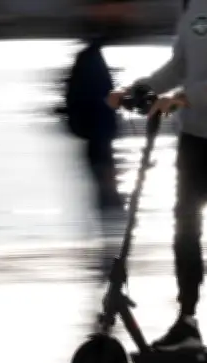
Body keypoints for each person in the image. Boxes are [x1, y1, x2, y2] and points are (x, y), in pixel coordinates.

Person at [108, 0, 207, 352]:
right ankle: (186, 320)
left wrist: (185, 96)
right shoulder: (191, 3)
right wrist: (139, 88)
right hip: (196, 138)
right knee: (185, 225)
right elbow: (181, 64)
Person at [62, 0, 133, 276]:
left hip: (95, 139)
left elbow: (85, 102)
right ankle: (113, 254)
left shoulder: (87, 60)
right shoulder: (92, 62)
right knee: (108, 195)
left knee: (104, 195)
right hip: (99, 140)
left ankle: (110, 252)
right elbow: (99, 104)